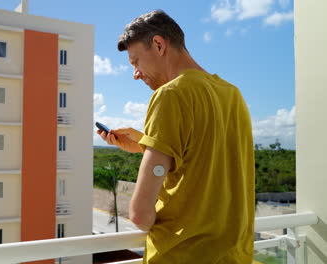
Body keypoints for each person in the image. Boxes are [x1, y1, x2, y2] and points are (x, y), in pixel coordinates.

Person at [97, 10, 255, 264]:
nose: (135, 73)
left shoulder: (170, 95)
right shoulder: (232, 94)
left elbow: (140, 215)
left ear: (159, 45)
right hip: (234, 255)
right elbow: (206, 157)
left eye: (135, 61)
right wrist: (145, 144)